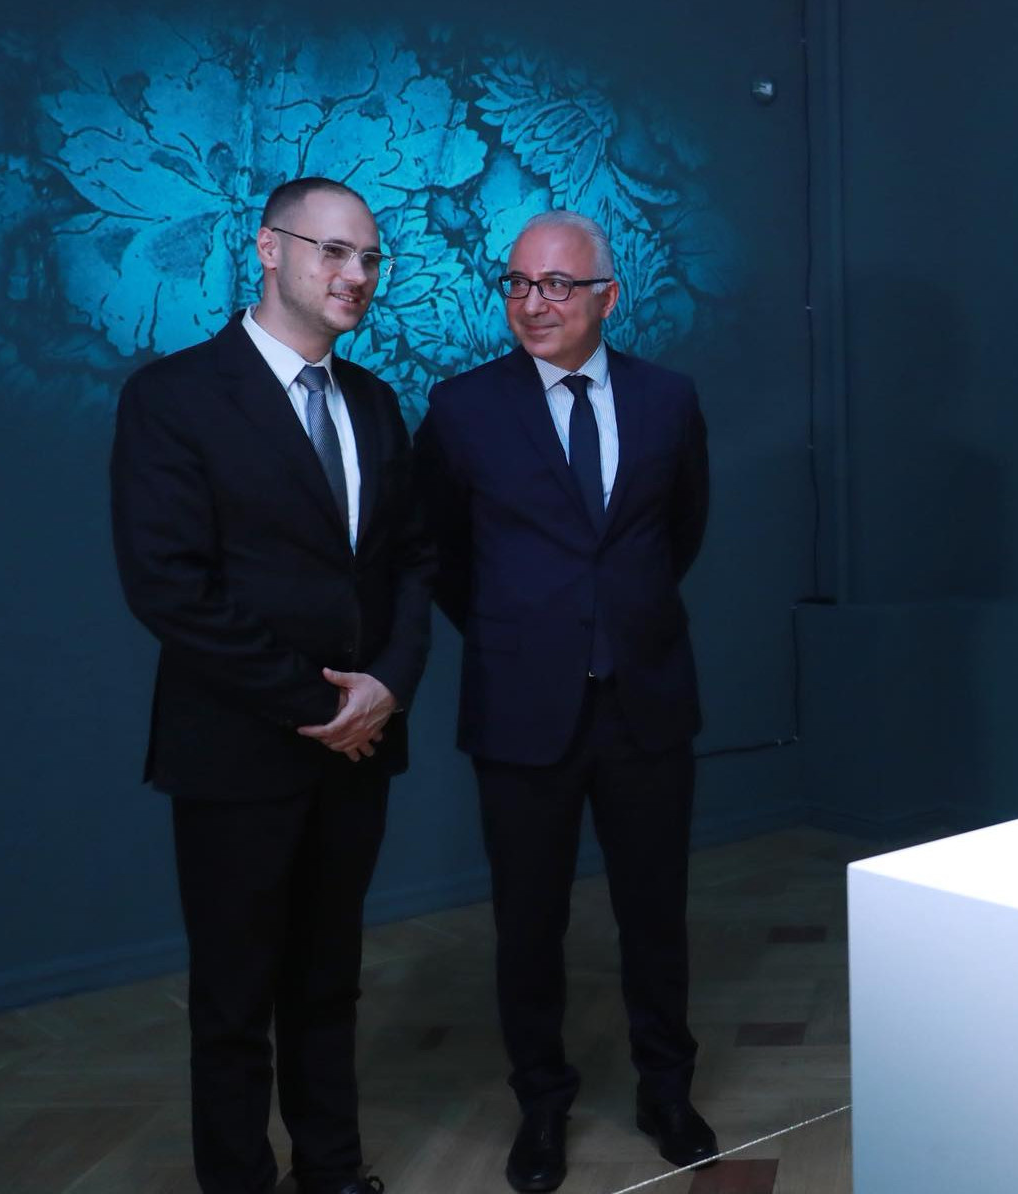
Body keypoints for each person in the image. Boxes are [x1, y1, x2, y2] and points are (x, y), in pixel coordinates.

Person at [109, 177, 431, 1194]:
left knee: (329, 980)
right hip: (238, 752)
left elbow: (410, 565)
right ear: (269, 250)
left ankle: (330, 1169)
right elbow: (169, 587)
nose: (355, 274)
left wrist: (386, 685)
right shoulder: (173, 397)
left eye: (370, 257)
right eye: (333, 251)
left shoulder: (375, 403)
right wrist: (318, 705)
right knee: (235, 1000)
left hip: (361, 747)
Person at [413, 211, 715, 1192]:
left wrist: (616, 622)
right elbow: (440, 555)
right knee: (528, 925)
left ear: (607, 297)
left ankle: (667, 1091)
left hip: (645, 702)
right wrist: (527, 631)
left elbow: (678, 532)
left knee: (655, 915)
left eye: (556, 285)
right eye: (516, 283)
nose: (532, 304)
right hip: (521, 709)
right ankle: (542, 1107)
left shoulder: (668, 401)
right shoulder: (462, 409)